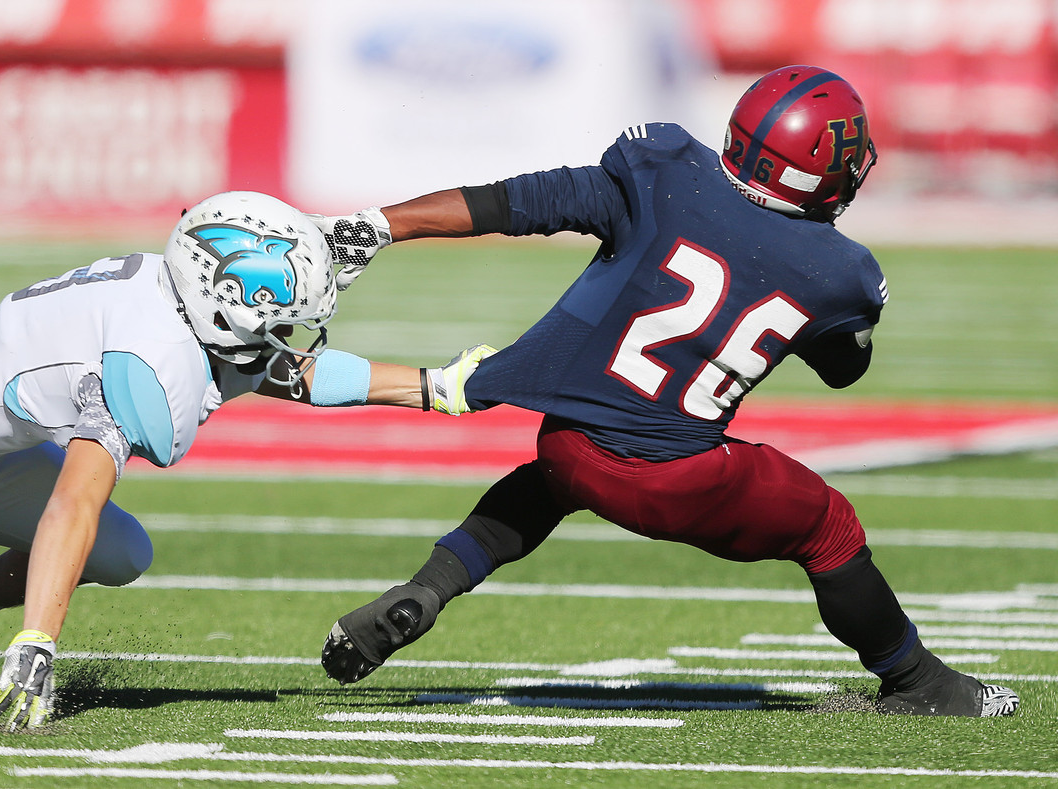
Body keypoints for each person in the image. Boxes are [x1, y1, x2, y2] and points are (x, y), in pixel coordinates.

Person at [312, 65, 1019, 717]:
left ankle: (428, 588)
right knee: (828, 524)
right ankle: (918, 681)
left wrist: (383, 225)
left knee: (547, 484)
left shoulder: (663, 173)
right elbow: (842, 370)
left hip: (567, 442)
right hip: (676, 478)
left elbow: (519, 202)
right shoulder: (839, 273)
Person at [0, 190, 494, 731]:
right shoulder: (145, 356)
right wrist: (38, 642)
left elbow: (285, 372)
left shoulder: (173, 298)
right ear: (225, 299)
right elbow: (73, 501)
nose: (291, 335)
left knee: (120, 550)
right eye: (280, 319)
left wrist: (432, 389)